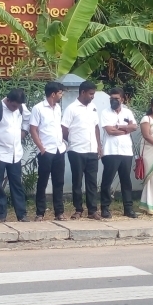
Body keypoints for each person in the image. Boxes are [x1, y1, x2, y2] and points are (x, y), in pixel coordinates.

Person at [0, 88, 29, 222]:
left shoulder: (21, 107)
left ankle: (21, 214)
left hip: (16, 153)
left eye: (18, 106)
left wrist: (24, 132)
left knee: (17, 184)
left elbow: (28, 119)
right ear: (8, 100)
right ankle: (2, 215)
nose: (16, 109)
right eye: (14, 106)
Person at [61, 80, 102, 220]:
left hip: (92, 150)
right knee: (77, 181)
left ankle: (92, 211)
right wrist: (72, 141)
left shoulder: (93, 107)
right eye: (91, 94)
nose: (92, 96)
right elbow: (64, 129)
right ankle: (78, 209)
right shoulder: (71, 108)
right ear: (83, 92)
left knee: (92, 182)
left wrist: (99, 146)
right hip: (76, 150)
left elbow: (96, 127)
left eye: (94, 94)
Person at [29, 81, 67, 221]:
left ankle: (59, 212)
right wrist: (41, 148)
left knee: (59, 181)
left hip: (59, 149)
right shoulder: (38, 108)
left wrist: (62, 141)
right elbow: (33, 129)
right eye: (60, 93)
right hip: (46, 151)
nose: (61, 95)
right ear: (53, 94)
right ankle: (40, 212)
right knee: (43, 181)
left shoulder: (57, 108)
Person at [99, 87, 138, 218]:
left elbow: (134, 127)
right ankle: (105, 208)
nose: (113, 101)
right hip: (110, 151)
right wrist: (126, 130)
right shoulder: (105, 112)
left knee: (126, 181)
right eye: (111, 98)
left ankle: (128, 208)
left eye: (116, 98)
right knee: (107, 180)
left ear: (122, 99)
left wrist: (120, 127)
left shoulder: (127, 112)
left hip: (126, 151)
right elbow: (109, 131)